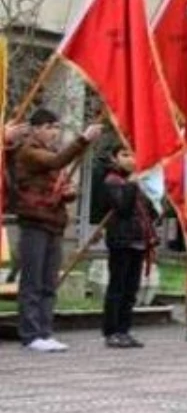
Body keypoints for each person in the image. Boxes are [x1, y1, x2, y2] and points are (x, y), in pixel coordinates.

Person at [14, 109, 104, 352]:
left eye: (56, 127)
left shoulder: (51, 153)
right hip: (34, 221)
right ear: (35, 129)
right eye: (49, 127)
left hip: (53, 221)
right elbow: (56, 162)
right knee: (33, 281)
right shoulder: (28, 151)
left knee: (49, 281)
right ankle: (31, 333)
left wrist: (68, 191)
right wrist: (83, 139)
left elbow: (59, 173)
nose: (54, 132)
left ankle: (45, 330)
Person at [101, 145, 158, 349]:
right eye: (125, 155)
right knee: (117, 287)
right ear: (114, 158)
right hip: (121, 240)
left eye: (134, 154)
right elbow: (123, 208)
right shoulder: (112, 181)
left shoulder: (138, 181)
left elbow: (150, 211)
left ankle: (124, 330)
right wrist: (132, 185)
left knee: (131, 290)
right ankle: (111, 331)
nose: (130, 159)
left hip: (139, 241)